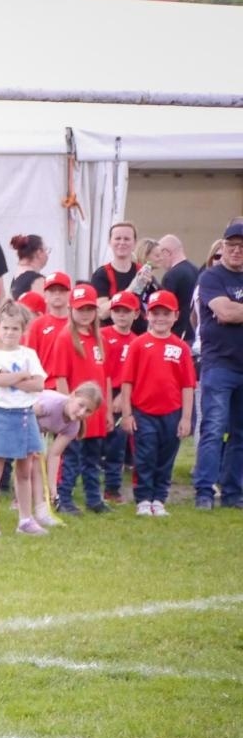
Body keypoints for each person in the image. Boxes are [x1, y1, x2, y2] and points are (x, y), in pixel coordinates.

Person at [116, 290, 195, 517]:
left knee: (166, 458)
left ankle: (159, 498)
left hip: (172, 413)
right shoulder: (138, 345)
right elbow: (127, 382)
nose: (160, 318)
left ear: (175, 316)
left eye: (165, 313)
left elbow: (187, 385)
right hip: (144, 413)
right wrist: (128, 414)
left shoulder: (181, 348)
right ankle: (143, 499)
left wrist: (186, 418)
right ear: (146, 316)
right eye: (155, 313)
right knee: (145, 456)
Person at [0, 302, 48, 538]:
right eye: (5, 328)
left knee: (25, 470)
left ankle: (25, 519)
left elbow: (39, 383)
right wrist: (21, 376)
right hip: (2, 415)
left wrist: (10, 378)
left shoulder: (29, 354)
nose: (9, 333)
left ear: (23, 330)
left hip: (26, 415)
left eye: (15, 329)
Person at [43, 284, 112, 515]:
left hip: (94, 411)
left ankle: (94, 499)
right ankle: (63, 497)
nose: (85, 314)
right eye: (80, 309)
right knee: (70, 457)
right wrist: (67, 410)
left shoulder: (98, 338)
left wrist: (108, 410)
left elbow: (106, 378)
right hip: (76, 411)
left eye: (90, 309)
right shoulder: (65, 338)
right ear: (72, 309)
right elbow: (60, 376)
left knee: (93, 458)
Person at [192, 220, 243, 509]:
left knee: (241, 433)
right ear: (222, 247)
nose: (237, 251)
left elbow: (234, 312)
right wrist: (231, 311)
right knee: (213, 427)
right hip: (219, 365)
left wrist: (236, 311)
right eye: (231, 245)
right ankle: (204, 491)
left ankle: (233, 492)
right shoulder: (212, 277)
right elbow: (224, 312)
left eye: (242, 247)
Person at [99, 290, 142, 504]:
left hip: (123, 395)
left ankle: (112, 488)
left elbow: (137, 376)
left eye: (126, 311)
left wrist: (123, 398)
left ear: (136, 314)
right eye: (117, 311)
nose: (121, 315)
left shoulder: (138, 341)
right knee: (91, 444)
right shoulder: (103, 335)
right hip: (99, 393)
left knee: (117, 444)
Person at [36, 382, 103, 519]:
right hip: (20, 420)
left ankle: (39, 507)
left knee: (36, 465)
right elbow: (24, 413)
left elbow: (54, 454)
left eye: (88, 411)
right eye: (81, 405)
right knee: (32, 464)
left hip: (38, 430)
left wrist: (52, 486)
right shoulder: (50, 404)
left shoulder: (73, 427)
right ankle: (22, 503)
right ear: (73, 395)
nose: (82, 412)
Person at [91, 221, 157, 330]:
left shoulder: (142, 272)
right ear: (110, 242)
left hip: (138, 335)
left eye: (127, 239)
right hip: (110, 337)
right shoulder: (102, 274)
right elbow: (101, 313)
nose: (122, 242)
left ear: (134, 243)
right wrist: (131, 288)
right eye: (117, 238)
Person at [155, 234, 200, 344]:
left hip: (177, 336)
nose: (160, 260)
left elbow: (163, 307)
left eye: (160, 255)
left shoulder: (171, 276)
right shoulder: (197, 271)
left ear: (167, 252)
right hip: (195, 333)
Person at [8, 233, 49, 298]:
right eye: (46, 250)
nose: (47, 255)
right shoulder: (38, 281)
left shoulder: (16, 278)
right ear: (39, 252)